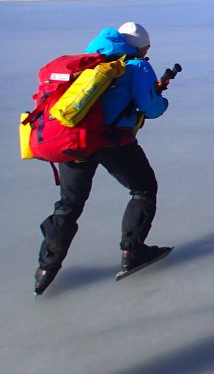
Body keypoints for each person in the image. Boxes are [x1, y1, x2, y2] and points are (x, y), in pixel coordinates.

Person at [33, 22, 171, 295]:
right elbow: (152, 109)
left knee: (68, 206)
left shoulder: (88, 62)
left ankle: (45, 269)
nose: (147, 51)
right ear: (138, 45)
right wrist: (159, 97)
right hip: (113, 143)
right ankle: (132, 252)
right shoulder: (136, 66)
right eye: (146, 47)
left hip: (75, 139)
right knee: (143, 189)